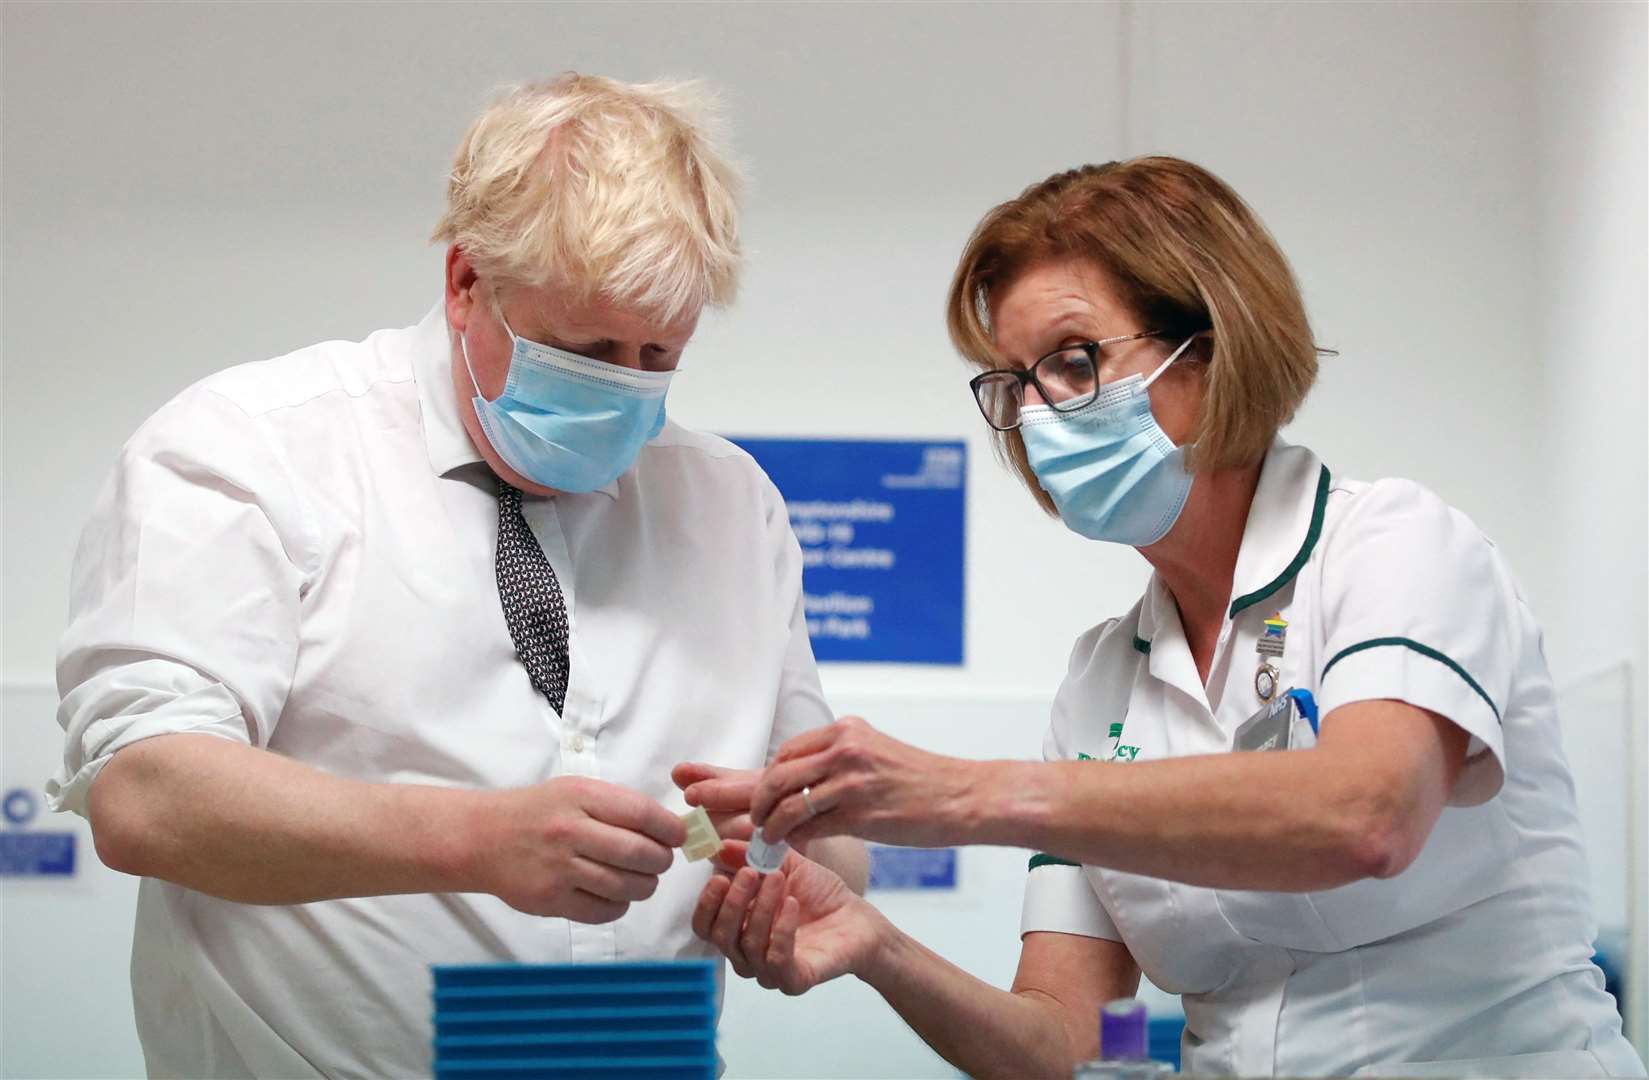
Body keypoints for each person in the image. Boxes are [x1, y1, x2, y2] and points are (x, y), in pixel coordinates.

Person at [684, 157, 1645, 1078]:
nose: (1040, 414)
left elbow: (1367, 815)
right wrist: (877, 946)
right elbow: (1064, 1042)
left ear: (1211, 343)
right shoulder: (1102, 679)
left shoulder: (1395, 546)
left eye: (1070, 361)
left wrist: (963, 795)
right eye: (1014, 385)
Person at [48, 73, 865, 1078]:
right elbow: (146, 794)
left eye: (659, 353)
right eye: (584, 349)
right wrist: (471, 838)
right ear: (465, 281)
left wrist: (784, 879)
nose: (624, 386)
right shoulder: (250, 453)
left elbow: (826, 840)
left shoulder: (729, 507)